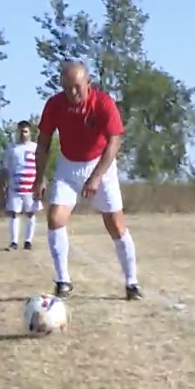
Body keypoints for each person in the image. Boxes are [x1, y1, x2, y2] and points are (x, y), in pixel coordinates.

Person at [32, 61, 141, 300]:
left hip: (101, 165)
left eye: (77, 87)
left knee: (115, 225)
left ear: (88, 84)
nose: (72, 93)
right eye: (67, 87)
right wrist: (38, 178)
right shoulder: (54, 105)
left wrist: (96, 177)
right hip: (68, 167)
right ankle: (63, 281)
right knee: (55, 218)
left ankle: (132, 282)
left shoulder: (103, 103)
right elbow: (43, 143)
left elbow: (114, 142)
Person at [3, 120, 40, 250]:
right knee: (14, 213)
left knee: (30, 213)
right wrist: (4, 183)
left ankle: (28, 241)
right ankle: (14, 242)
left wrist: (42, 182)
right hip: (15, 187)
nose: (23, 134)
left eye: (25, 131)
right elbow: (6, 167)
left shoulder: (35, 147)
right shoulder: (11, 148)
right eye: (20, 131)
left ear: (30, 132)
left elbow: (41, 167)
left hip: (31, 187)